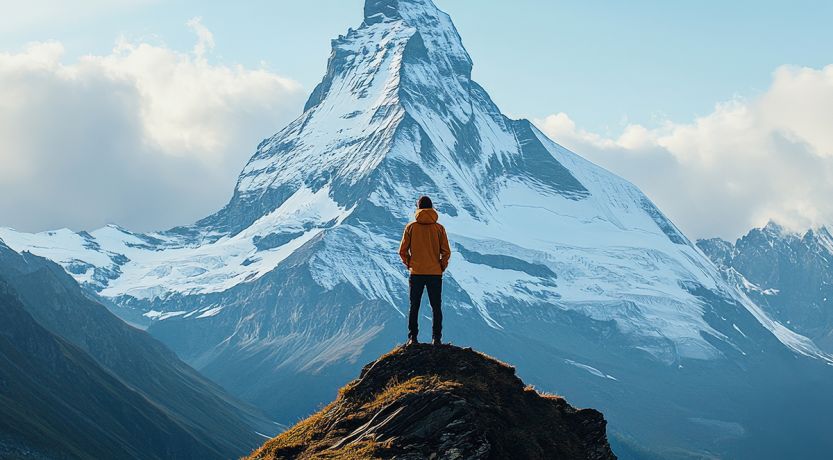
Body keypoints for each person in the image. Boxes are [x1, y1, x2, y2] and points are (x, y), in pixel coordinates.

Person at [398, 195, 451, 346]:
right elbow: (446, 252)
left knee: (414, 306)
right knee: (436, 307)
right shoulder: (439, 228)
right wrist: (441, 266)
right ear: (432, 207)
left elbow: (402, 251)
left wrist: (410, 264)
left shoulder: (411, 227)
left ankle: (412, 338)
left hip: (416, 273)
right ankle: (437, 338)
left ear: (418, 208)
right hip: (435, 273)